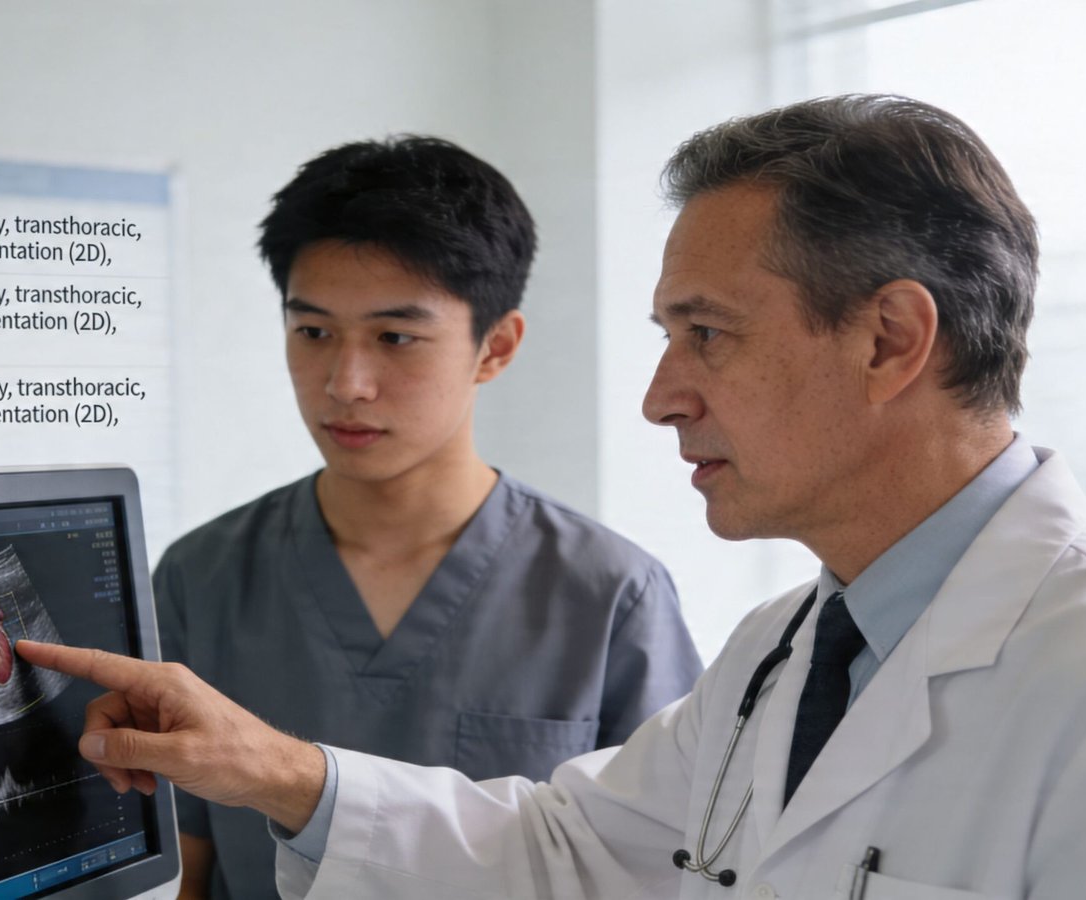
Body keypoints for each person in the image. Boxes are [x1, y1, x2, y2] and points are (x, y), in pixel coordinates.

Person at [18, 95, 1086, 898]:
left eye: (706, 334)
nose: (660, 398)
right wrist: (269, 768)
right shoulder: (785, 652)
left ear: (890, 339)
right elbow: (564, 850)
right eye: (313, 331)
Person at [153, 135, 703, 899]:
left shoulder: (610, 593)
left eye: (395, 337)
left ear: (495, 347)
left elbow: (666, 871)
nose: (347, 383)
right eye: (313, 332)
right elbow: (179, 872)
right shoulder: (202, 576)